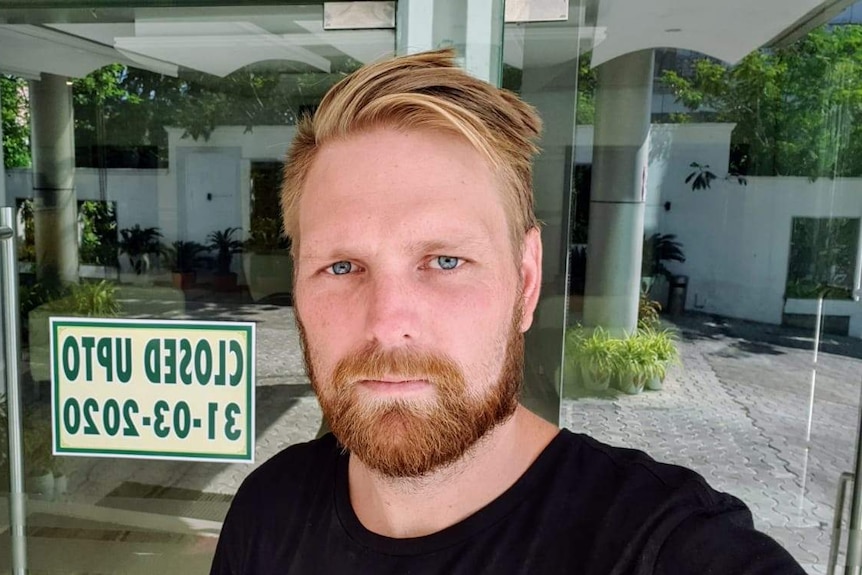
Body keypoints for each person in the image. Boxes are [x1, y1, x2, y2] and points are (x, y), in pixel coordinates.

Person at [210, 49, 805, 574]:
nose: (388, 323)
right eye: (341, 267)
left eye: (444, 261)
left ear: (524, 282)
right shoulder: (267, 510)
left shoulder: (664, 545)